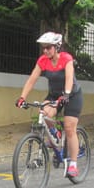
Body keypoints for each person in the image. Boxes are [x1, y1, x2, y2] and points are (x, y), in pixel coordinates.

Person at [15, 32, 84, 177]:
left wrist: (66, 94)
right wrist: (22, 97)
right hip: (54, 95)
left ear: (57, 47)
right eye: (43, 48)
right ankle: (55, 133)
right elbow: (32, 79)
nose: (45, 50)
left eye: (48, 47)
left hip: (72, 95)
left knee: (69, 127)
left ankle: (73, 163)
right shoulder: (43, 60)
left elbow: (69, 78)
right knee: (43, 113)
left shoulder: (66, 58)